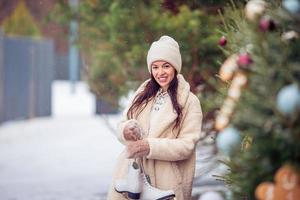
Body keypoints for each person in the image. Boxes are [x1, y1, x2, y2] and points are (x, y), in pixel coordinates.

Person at [107, 35, 203, 200]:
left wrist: (150, 146)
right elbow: (123, 122)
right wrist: (126, 130)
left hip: (165, 180)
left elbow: (187, 146)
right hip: (131, 176)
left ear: (175, 67)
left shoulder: (189, 101)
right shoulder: (142, 93)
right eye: (155, 67)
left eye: (166, 66)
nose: (160, 73)